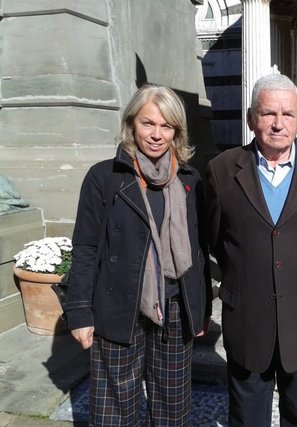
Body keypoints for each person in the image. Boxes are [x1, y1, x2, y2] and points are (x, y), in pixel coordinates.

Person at [65, 84, 212, 426]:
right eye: (148, 124)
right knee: (115, 413)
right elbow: (86, 246)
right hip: (118, 309)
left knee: (172, 410)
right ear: (131, 124)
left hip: (175, 310)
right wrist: (79, 313)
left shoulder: (189, 180)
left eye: (166, 126)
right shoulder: (105, 177)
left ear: (177, 131)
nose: (157, 135)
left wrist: (200, 306)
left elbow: (199, 246)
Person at [206, 74, 297, 427]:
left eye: (288, 114)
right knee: (247, 418)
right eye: (269, 114)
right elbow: (215, 239)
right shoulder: (222, 170)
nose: (279, 124)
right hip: (248, 320)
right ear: (252, 118)